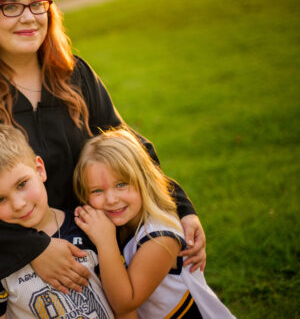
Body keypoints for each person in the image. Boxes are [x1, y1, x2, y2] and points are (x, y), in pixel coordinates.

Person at [0, 0, 206, 317]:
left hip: (89, 258)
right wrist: (34, 251)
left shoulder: (74, 76)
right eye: (10, 7)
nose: (28, 17)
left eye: (35, 4)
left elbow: (125, 148)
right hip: (11, 276)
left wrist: (181, 207)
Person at [0, 124, 119, 319]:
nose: (18, 204)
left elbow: (123, 303)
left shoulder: (87, 226)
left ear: (39, 169)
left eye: (22, 184)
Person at [73, 128, 235, 318]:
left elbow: (125, 302)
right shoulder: (121, 226)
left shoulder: (161, 236)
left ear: (144, 180)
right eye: (97, 191)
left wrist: (105, 240)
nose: (111, 199)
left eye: (121, 185)